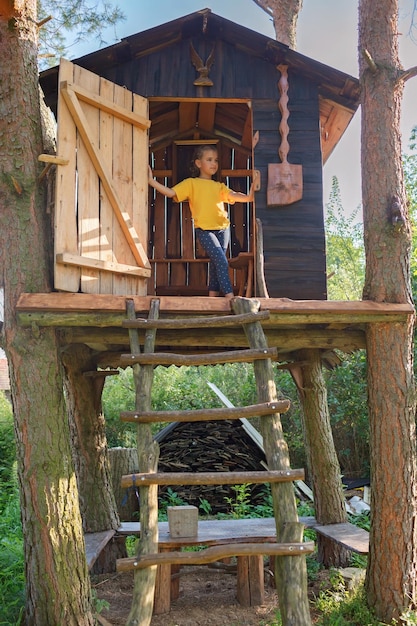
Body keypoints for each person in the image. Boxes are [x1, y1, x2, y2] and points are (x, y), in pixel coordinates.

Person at [148, 144, 259, 298]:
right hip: (204, 230)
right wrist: (152, 182)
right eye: (209, 159)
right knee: (222, 261)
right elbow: (172, 192)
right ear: (198, 163)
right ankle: (230, 297)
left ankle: (212, 298)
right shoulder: (191, 184)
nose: (214, 163)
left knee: (216, 263)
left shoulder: (218, 186)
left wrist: (248, 196)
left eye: (216, 160)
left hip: (223, 228)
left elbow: (233, 195)